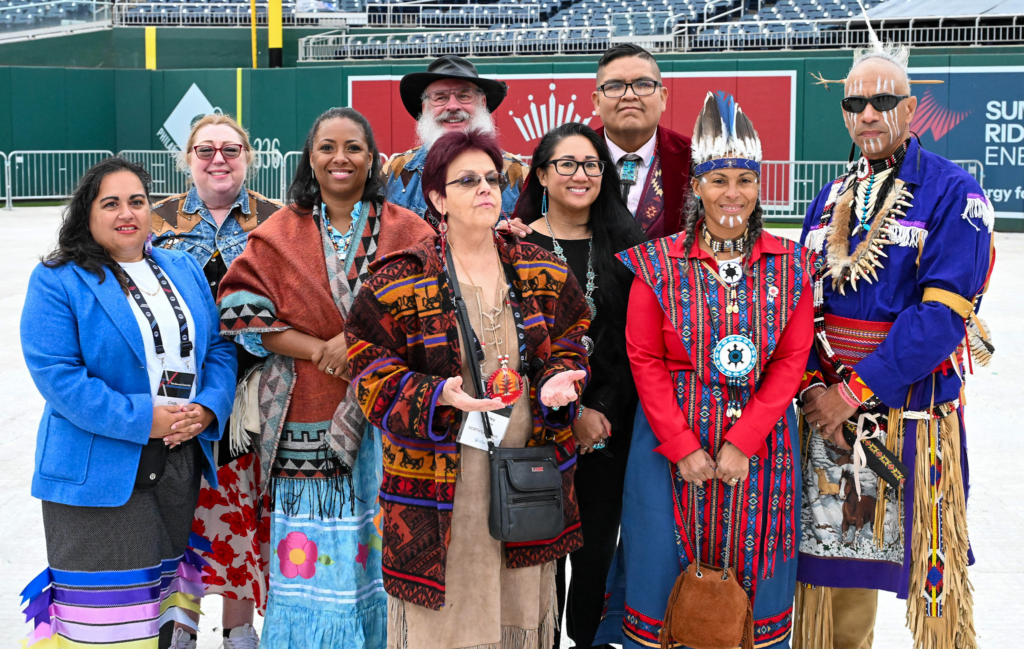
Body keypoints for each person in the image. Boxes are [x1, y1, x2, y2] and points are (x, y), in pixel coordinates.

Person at [345, 129, 591, 649]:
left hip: (526, 463)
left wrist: (558, 382)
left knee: (520, 606)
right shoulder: (398, 278)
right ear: (437, 198)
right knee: (448, 613)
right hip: (438, 479)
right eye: (468, 180)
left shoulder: (540, 267)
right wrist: (434, 396)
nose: (486, 188)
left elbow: (572, 339)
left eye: (492, 179)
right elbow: (368, 370)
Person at [793, 40, 993, 649]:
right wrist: (813, 388)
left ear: (910, 108)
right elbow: (802, 303)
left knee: (932, 571)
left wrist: (851, 392)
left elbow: (940, 319)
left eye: (883, 100)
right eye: (856, 102)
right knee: (837, 561)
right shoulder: (830, 196)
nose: (868, 113)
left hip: (911, 408)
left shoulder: (954, 193)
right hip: (830, 412)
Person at [595, 92, 813, 649]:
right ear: (695, 187)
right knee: (659, 570)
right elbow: (643, 358)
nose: (732, 193)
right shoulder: (657, 262)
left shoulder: (791, 264)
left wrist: (743, 441)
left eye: (745, 179)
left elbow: (791, 360)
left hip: (762, 449)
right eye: (719, 180)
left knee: (754, 580)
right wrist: (683, 444)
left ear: (761, 186)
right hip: (668, 449)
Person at [216, 107, 435, 649]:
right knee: (311, 563)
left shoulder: (412, 230)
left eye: (354, 147)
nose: (341, 158)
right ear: (309, 159)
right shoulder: (277, 233)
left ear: (372, 158)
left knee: (393, 556)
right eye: (327, 147)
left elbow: (436, 316)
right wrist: (320, 348)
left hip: (392, 422)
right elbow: (242, 311)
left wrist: (357, 345)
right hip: (309, 424)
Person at [19, 157, 237, 649]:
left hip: (178, 463)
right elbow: (59, 377)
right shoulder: (58, 280)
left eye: (137, 201)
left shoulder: (180, 267)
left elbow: (218, 349)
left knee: (162, 617)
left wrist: (207, 409)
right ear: (87, 214)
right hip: (100, 474)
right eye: (111, 202)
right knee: (108, 629)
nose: (127, 213)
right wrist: (145, 421)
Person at [512, 122, 645, 649]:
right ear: (542, 173)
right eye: (565, 164)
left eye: (591, 164)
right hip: (535, 430)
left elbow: (636, 345)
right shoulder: (513, 243)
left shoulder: (628, 245)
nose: (580, 174)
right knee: (541, 556)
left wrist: (598, 412)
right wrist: (563, 413)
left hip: (607, 430)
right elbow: (507, 345)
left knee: (593, 557)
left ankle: (587, 639)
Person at [151, 113, 281, 649]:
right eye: (205, 150)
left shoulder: (278, 219)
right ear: (186, 159)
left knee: (241, 515)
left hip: (257, 396)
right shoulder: (155, 218)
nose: (218, 159)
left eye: (230, 149)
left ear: (249, 157)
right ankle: (178, 623)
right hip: (173, 398)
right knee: (180, 509)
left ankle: (237, 629)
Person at [384, 54, 528, 221]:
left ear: (482, 103)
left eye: (464, 96)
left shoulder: (519, 176)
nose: (452, 106)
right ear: (424, 108)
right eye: (441, 97)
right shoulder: (394, 172)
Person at [591, 43, 692, 239]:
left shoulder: (694, 159)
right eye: (614, 86)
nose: (629, 95)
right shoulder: (562, 157)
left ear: (663, 98)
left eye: (643, 84)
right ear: (597, 102)